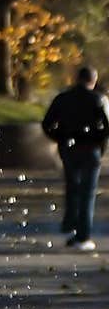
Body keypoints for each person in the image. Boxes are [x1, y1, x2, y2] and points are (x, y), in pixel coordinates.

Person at [42, 65, 109, 252]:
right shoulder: (99, 99)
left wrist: (60, 138)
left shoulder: (62, 99)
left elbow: (47, 123)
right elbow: (107, 126)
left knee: (72, 187)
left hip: (68, 148)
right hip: (90, 149)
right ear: (93, 80)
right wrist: (97, 139)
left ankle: (70, 226)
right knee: (88, 192)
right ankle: (83, 235)